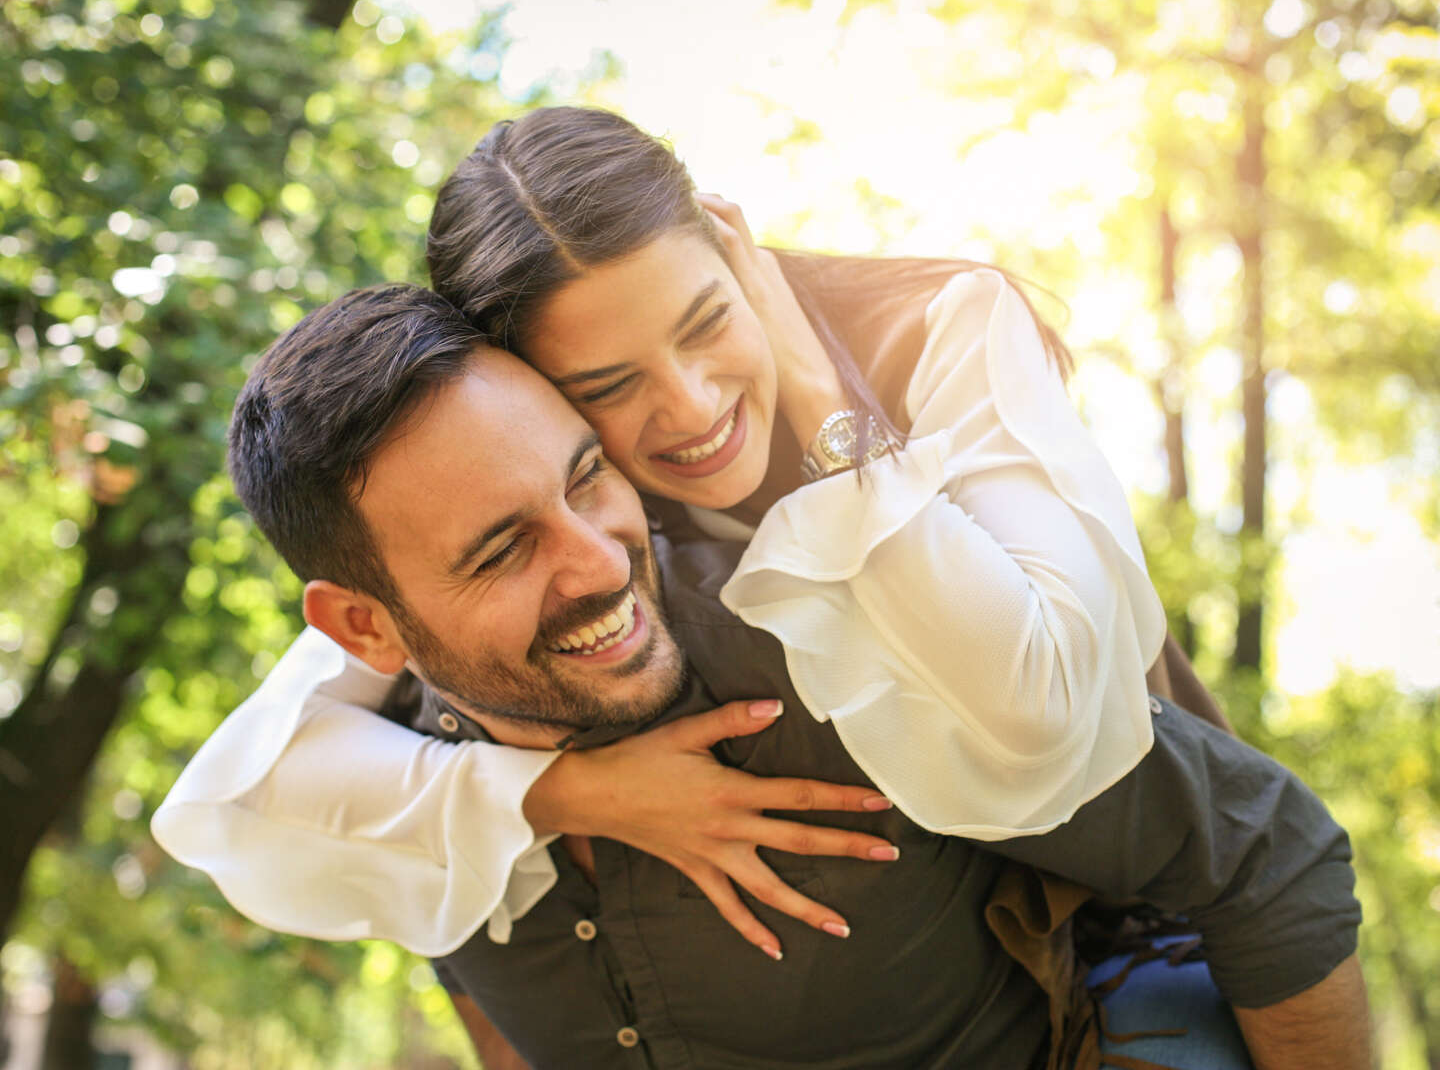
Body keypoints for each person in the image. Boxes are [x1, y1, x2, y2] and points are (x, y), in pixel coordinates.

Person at [163, 283, 1369, 1069]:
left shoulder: (839, 644)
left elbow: (1265, 852)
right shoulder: (375, 803)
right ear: (366, 629)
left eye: (587, 477)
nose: (600, 561)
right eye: (500, 548)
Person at [156, 106, 1208, 961]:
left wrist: (815, 393)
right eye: (606, 386)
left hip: (1188, 902)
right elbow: (241, 786)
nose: (694, 408)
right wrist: (575, 794)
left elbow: (1039, 707)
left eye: (708, 322)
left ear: (734, 254)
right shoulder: (564, 503)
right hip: (1009, 952)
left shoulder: (938, 330)